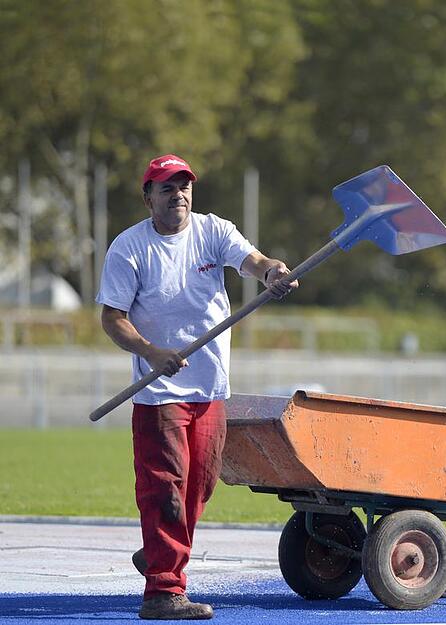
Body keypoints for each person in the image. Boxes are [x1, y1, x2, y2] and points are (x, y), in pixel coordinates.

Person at [96, 154, 297, 620]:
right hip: (158, 394)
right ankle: (164, 592)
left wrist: (270, 271)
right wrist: (151, 352)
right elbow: (112, 318)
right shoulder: (129, 248)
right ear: (148, 197)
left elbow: (252, 260)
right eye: (166, 187)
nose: (178, 194)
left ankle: (159, 550)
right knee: (165, 488)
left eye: (184, 186)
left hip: (208, 389)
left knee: (200, 485)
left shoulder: (213, 231)